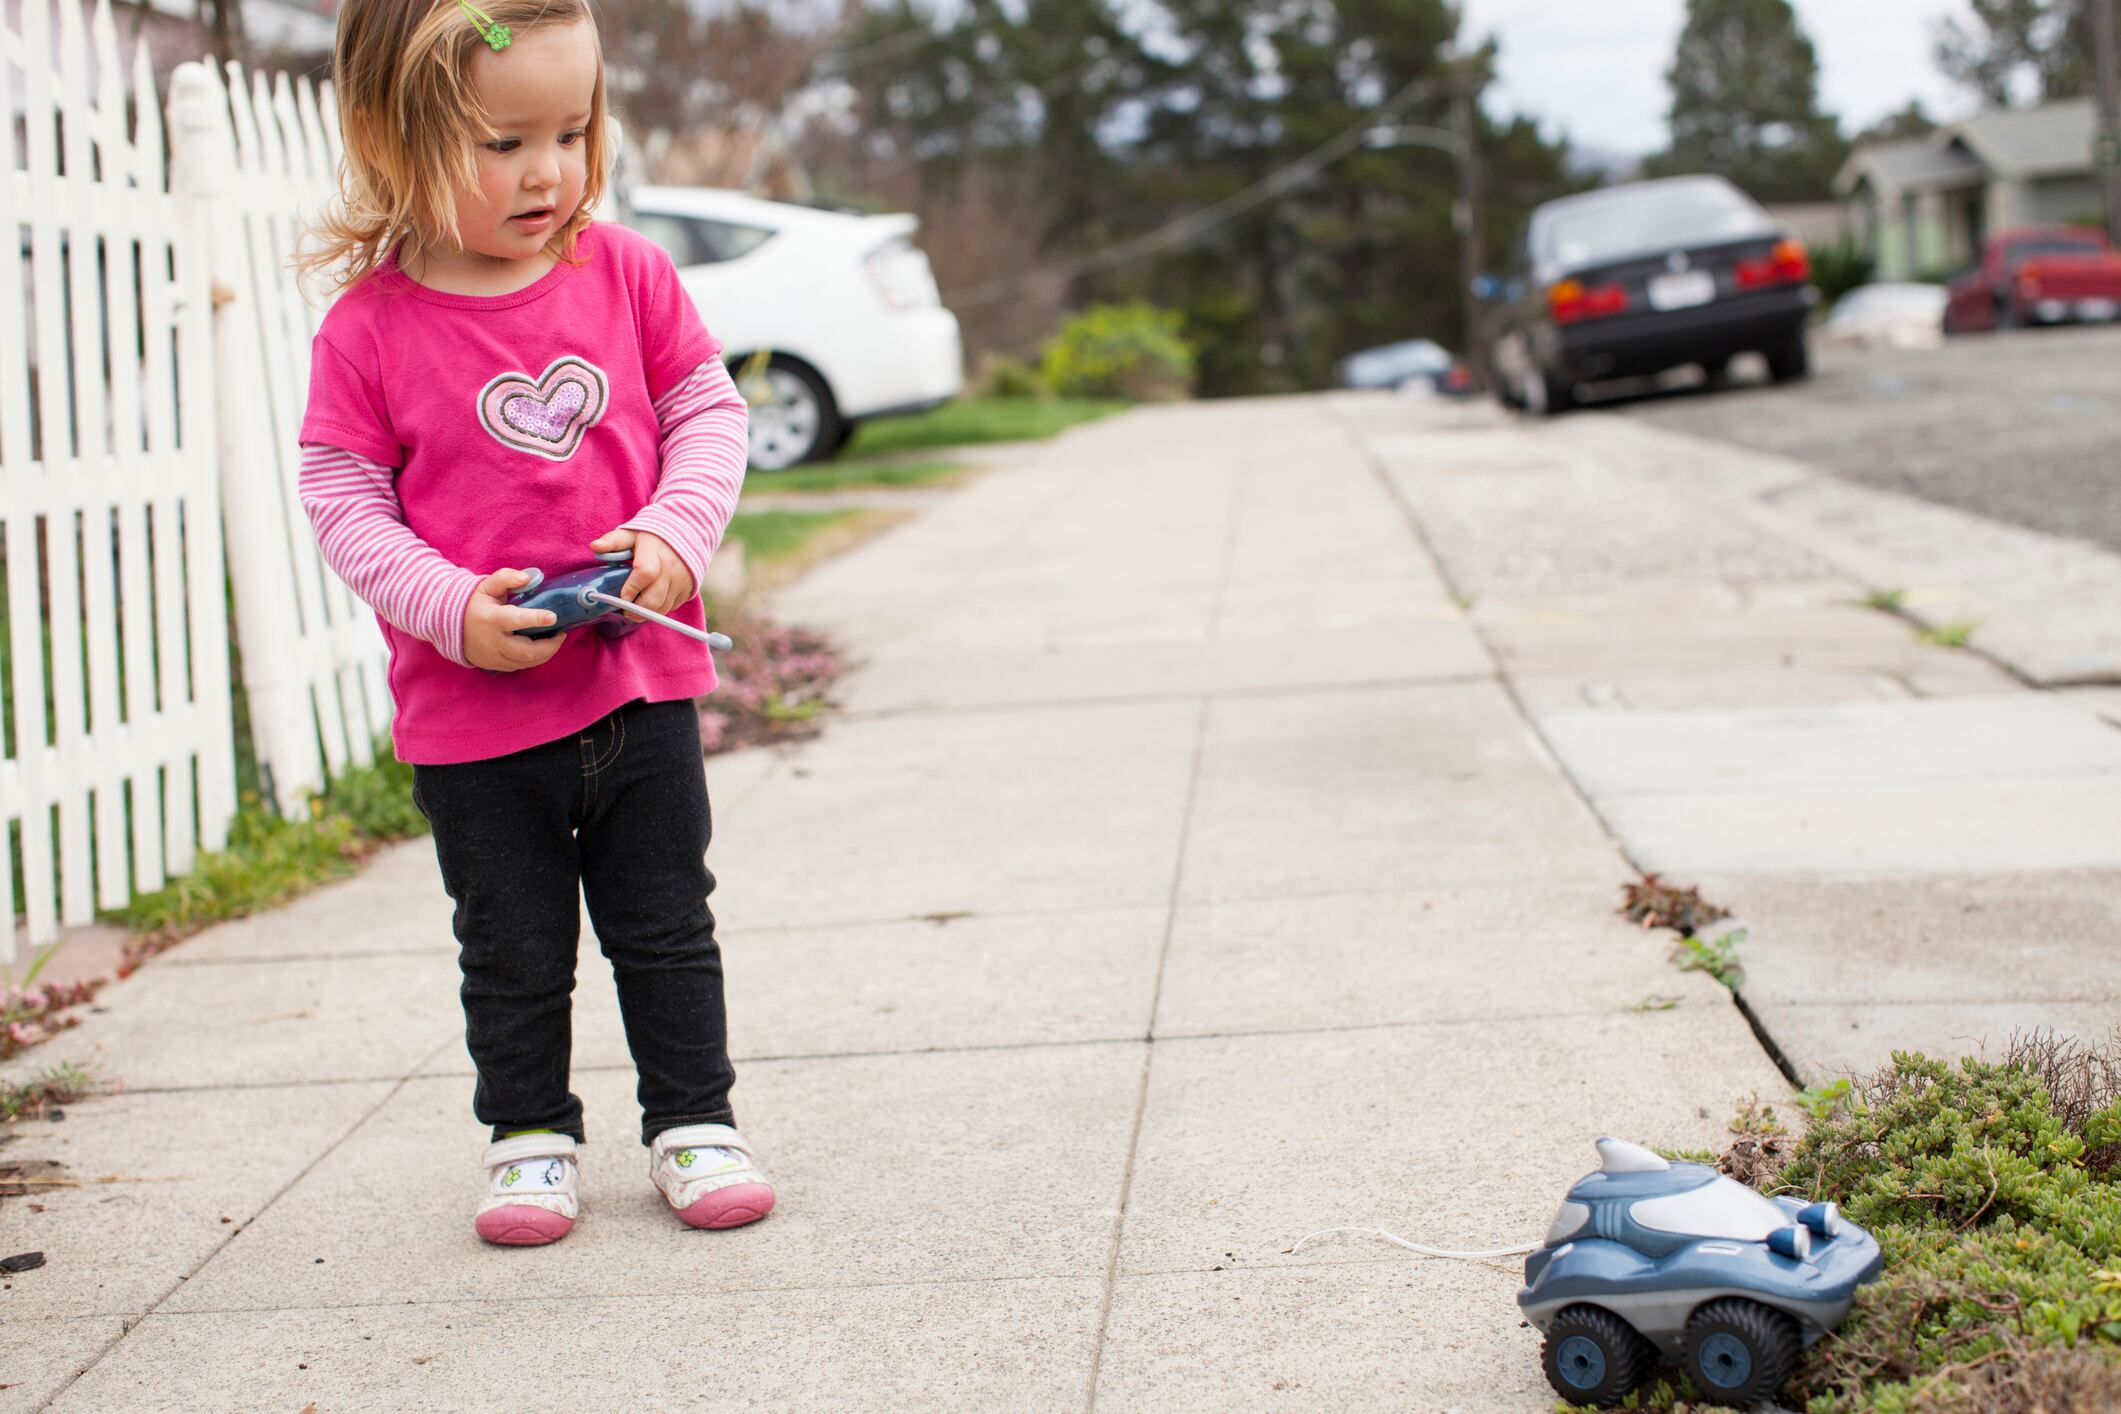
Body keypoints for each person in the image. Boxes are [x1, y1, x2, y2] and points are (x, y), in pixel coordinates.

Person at [295, 0, 771, 1246]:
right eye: (501, 144)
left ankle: (693, 1120)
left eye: (571, 130)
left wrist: (674, 531)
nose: (549, 171)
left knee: (665, 919)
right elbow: (343, 500)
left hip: (637, 686)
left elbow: (708, 414)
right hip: (474, 716)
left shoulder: (626, 274)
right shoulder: (371, 331)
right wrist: (447, 606)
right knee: (510, 942)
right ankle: (528, 1133)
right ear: (392, 137)